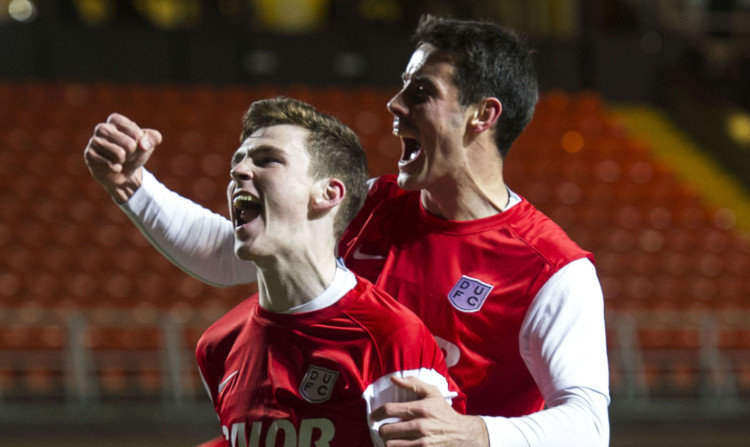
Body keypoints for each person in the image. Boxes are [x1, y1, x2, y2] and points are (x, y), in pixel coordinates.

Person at [84, 15, 610, 447]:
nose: (395, 105)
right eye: (401, 86)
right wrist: (133, 186)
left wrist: (476, 434)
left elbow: (589, 424)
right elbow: (232, 250)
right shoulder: (371, 205)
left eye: (420, 91)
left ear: (483, 115)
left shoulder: (552, 268)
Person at [85, 97, 463, 446]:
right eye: (238, 161)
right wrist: (131, 184)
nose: (238, 171)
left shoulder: (391, 340)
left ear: (328, 194)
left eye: (267, 160)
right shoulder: (218, 345)